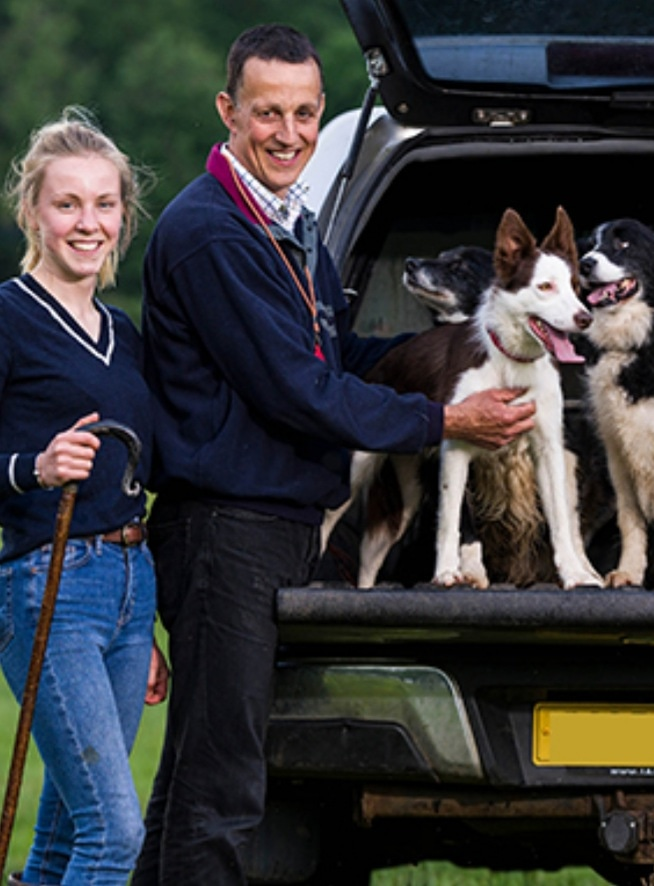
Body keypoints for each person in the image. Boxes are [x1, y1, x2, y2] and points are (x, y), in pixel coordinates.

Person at [136, 24, 537, 883]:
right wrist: (444, 425)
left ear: (323, 114)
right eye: (267, 113)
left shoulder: (288, 224)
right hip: (224, 533)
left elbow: (335, 355)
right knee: (226, 786)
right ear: (228, 112)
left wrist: (454, 351)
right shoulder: (213, 234)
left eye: (305, 113)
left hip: (269, 528)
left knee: (195, 777)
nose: (288, 133)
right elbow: (298, 391)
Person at [1, 107, 169, 884]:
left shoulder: (122, 330)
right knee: (116, 835)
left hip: (131, 591)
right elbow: (27, 466)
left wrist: (147, 620)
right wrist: (32, 467)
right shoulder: (7, 316)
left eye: (104, 204)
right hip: (50, 585)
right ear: (33, 209)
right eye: (67, 203)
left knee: (65, 840)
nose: (87, 222)